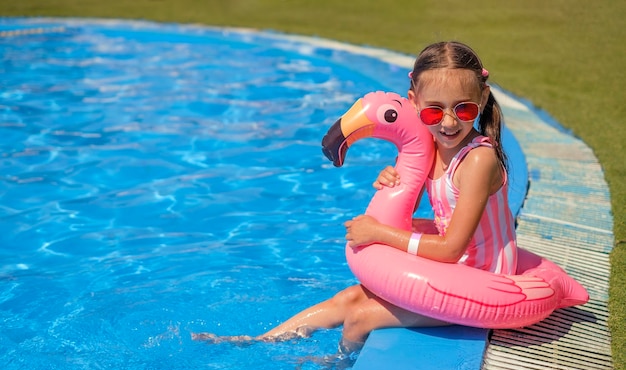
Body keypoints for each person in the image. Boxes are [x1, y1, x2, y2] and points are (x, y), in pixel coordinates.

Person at [192, 41, 518, 353]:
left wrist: (378, 233)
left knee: (361, 319)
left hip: (483, 280)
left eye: (464, 109)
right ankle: (258, 341)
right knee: (348, 298)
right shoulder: (438, 147)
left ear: (483, 97)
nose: (448, 122)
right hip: (457, 269)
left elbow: (450, 250)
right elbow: (423, 205)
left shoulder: (478, 160)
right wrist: (393, 181)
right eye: (434, 112)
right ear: (414, 102)